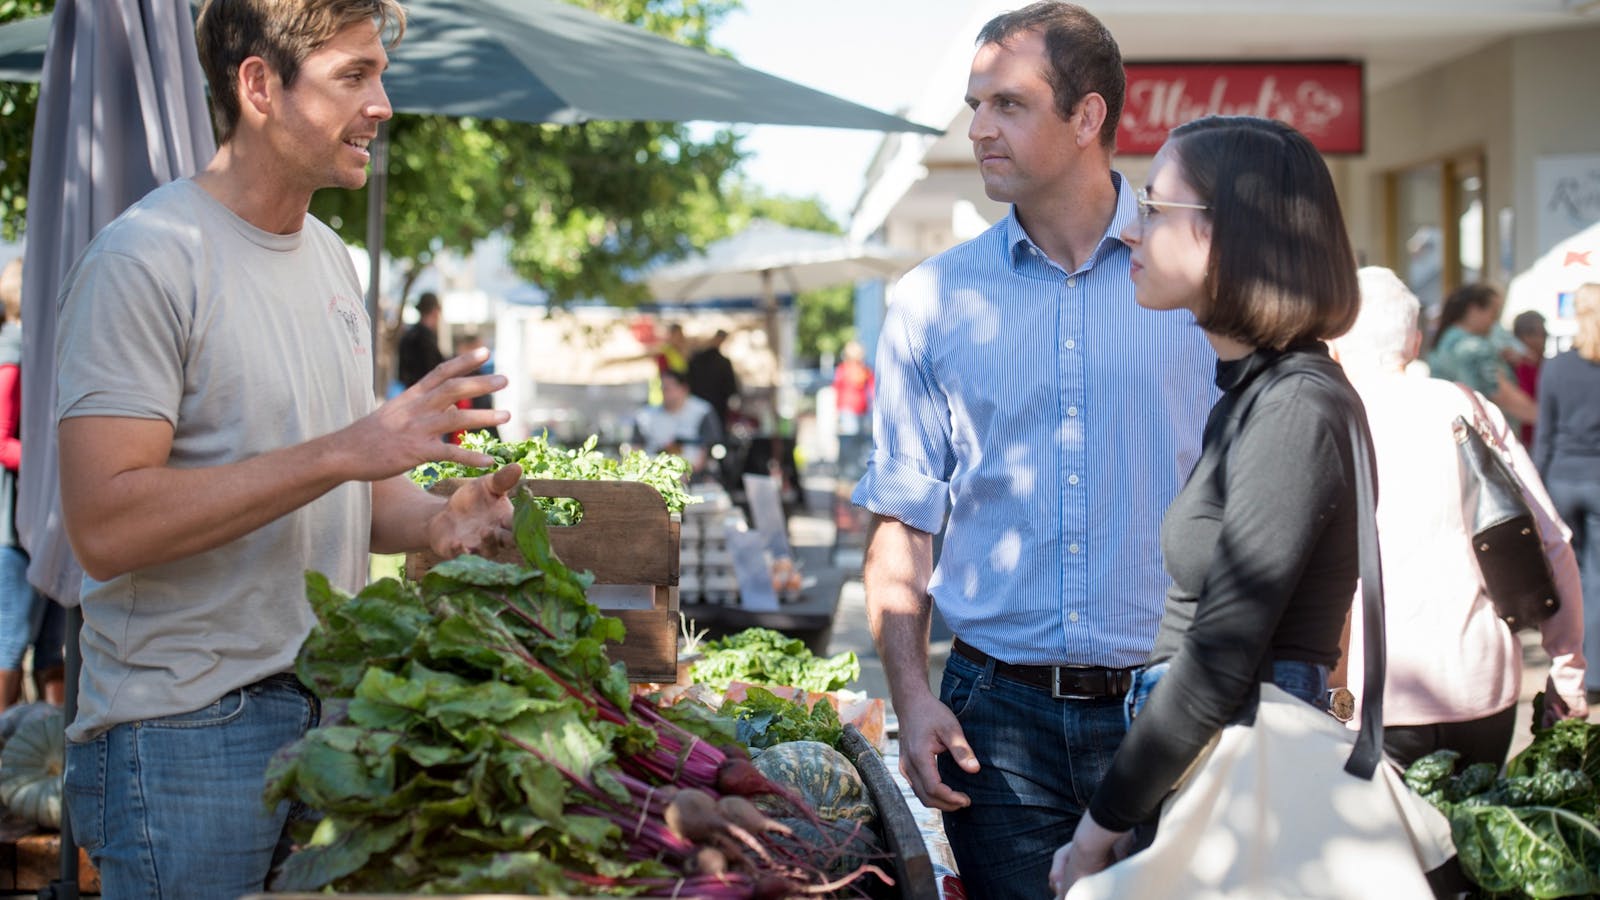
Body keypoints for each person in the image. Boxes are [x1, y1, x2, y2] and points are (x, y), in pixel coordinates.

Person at [53, 3, 519, 896]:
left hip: (327, 721)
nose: (383, 104)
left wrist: (437, 522)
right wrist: (345, 451)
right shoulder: (146, 259)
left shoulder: (335, 262)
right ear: (259, 85)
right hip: (182, 733)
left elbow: (355, 493)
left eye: (381, 75)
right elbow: (105, 526)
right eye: (353, 76)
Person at [852, 5, 1216, 896]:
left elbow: (1276, 491)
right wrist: (911, 695)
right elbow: (903, 519)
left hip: (1179, 705)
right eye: (975, 104)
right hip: (997, 724)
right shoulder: (929, 302)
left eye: (1008, 105)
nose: (978, 129)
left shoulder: (1200, 277)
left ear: (1087, 118)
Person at [1048, 116, 1370, 894]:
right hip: (1215, 771)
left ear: (1232, 235)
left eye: (1155, 209)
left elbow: (1222, 652)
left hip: (1242, 784)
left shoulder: (1295, 403)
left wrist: (1098, 831)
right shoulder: (1258, 391)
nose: (1131, 233)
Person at [1332, 267, 1585, 768]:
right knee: (1472, 841)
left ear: (1335, 346)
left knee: (1387, 845)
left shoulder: (1328, 418)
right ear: (1417, 340)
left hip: (1370, 692)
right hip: (1481, 683)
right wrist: (1567, 666)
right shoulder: (1466, 406)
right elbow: (1549, 538)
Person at [0, 259, 64, 710]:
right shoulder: (13, 354)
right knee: (12, 634)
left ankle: (50, 746)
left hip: (46, 521)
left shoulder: (40, 352)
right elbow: (1, 439)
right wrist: (51, 467)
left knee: (50, 641)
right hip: (13, 526)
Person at [1534, 283, 1600, 701]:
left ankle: (1572, 669)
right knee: (1598, 578)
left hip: (1561, 476)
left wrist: (1535, 486)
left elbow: (1544, 433)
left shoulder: (1556, 366)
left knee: (1568, 578)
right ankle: (1595, 674)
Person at [1428, 284, 1538, 427]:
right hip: (1480, 434)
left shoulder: (1444, 341)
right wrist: (1541, 416)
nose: (1494, 322)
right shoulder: (1475, 347)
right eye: (1493, 314)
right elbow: (1500, 393)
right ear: (1474, 309)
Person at [635, 368, 723, 476]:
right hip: (654, 474)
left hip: (694, 475)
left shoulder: (702, 411)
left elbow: (708, 447)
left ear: (683, 389)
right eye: (662, 388)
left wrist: (689, 473)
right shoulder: (646, 415)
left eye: (668, 388)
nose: (665, 392)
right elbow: (636, 447)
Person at [832, 339, 874, 473]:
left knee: (860, 443)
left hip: (862, 411)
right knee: (849, 442)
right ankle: (847, 472)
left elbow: (872, 389)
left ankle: (855, 472)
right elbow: (838, 389)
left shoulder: (865, 370)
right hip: (848, 411)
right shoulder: (844, 370)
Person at [687, 328, 740, 428]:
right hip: (714, 405)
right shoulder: (721, 362)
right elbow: (731, 387)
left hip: (704, 402)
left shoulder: (697, 360)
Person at [1512, 310, 1548, 445]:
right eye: (1539, 335)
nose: (1543, 340)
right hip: (1526, 440)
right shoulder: (1520, 366)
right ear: (1522, 337)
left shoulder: (1545, 364)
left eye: (1545, 335)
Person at [397, 290, 446, 388]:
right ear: (435, 311)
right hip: (426, 393)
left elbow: (401, 374)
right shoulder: (427, 338)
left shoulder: (408, 335)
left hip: (409, 392)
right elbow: (436, 370)